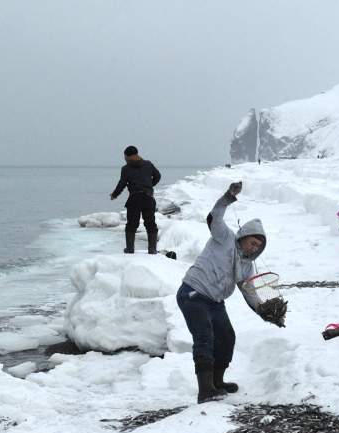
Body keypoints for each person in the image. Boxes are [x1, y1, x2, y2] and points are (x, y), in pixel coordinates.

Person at [177, 181, 269, 402]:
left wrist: (264, 310)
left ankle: (217, 381)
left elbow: (249, 291)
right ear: (244, 236)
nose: (254, 247)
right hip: (193, 294)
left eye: (258, 246)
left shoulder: (246, 265)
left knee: (227, 337)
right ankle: (205, 389)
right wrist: (228, 197)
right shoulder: (224, 236)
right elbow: (214, 217)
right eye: (252, 242)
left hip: (215, 302)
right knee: (204, 336)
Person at [110, 145, 161, 254]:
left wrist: (114, 194)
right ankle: (152, 250)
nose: (125, 159)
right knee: (151, 224)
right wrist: (149, 186)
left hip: (135, 199)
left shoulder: (126, 169)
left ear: (130, 156)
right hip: (148, 197)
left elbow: (122, 184)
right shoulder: (148, 164)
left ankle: (130, 249)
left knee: (131, 225)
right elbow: (158, 176)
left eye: (125, 157)